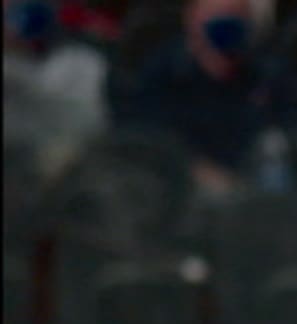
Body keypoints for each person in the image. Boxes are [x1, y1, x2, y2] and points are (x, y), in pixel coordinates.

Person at [115, 0, 287, 188]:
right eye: (219, 14)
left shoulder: (264, 76)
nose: (228, 22)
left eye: (237, 15)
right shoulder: (162, 73)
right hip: (175, 190)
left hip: (248, 193)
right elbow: (147, 141)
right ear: (193, 19)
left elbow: (279, 137)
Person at [3, 0, 110, 179]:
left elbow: (41, 93)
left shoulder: (79, 59)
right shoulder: (23, 62)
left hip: (73, 138)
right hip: (32, 139)